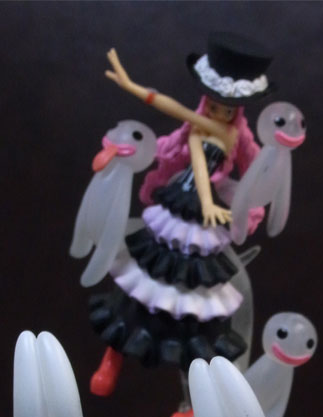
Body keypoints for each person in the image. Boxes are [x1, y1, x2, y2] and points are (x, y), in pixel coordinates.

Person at [88, 32, 272, 397]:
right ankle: (113, 357)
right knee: (141, 283)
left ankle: (194, 397)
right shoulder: (196, 128)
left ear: (238, 111)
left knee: (198, 308)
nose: (218, 113)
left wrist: (239, 202)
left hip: (203, 220)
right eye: (213, 106)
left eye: (227, 109)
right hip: (179, 207)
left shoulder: (234, 137)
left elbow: (254, 174)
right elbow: (175, 122)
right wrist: (130, 86)